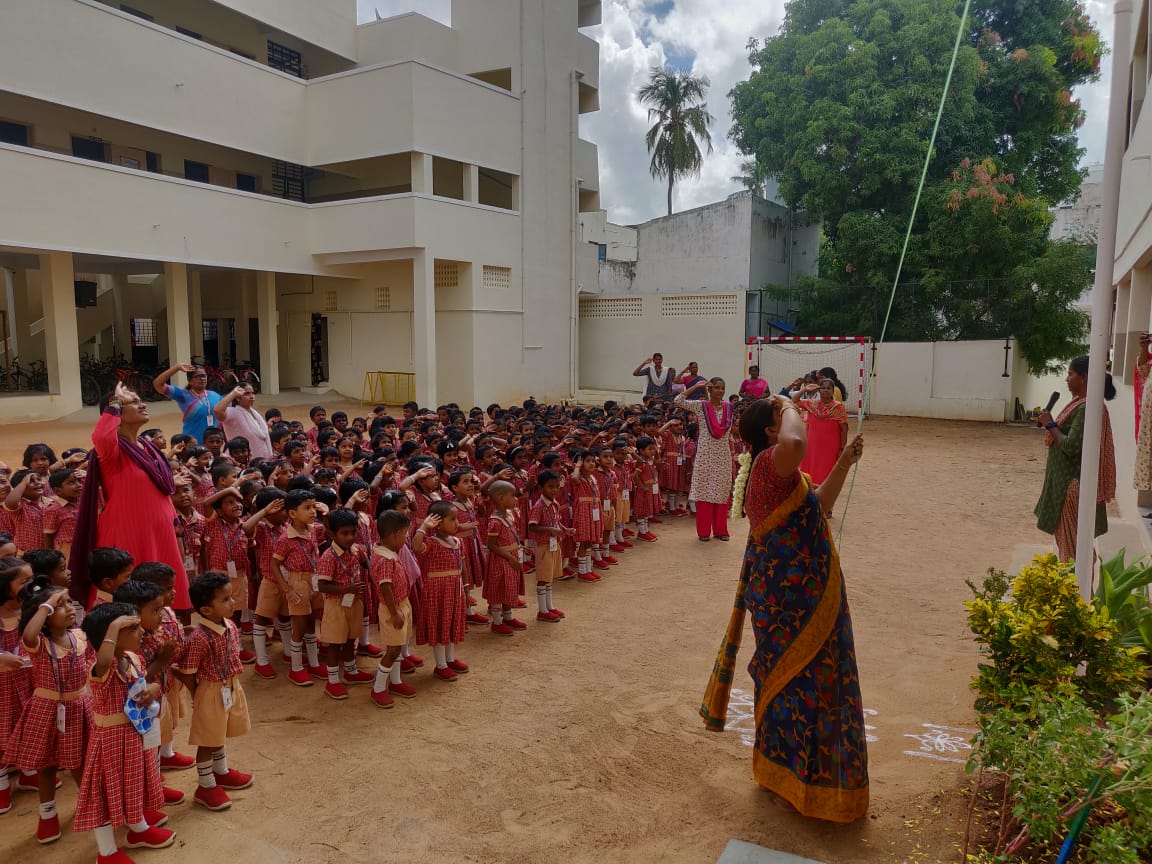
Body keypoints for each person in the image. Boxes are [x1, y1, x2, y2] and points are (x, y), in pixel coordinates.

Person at [701, 395, 869, 823]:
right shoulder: (765, 467)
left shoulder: (786, 476)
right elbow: (796, 442)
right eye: (784, 419)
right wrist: (788, 402)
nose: (795, 420)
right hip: (787, 603)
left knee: (824, 684)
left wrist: (845, 463)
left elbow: (821, 505)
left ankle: (814, 784)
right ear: (771, 434)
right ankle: (786, 781)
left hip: (810, 596)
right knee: (792, 685)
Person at [69, 384, 188, 614]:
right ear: (116, 414)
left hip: (161, 535)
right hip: (128, 533)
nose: (142, 404)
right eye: (133, 402)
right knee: (129, 604)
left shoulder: (147, 447)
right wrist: (116, 401)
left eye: (139, 400)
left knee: (164, 603)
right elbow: (101, 434)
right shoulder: (111, 452)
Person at [74, 601, 175, 862]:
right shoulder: (99, 669)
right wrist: (115, 625)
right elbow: (105, 660)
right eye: (133, 628)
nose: (141, 632)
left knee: (134, 784)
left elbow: (141, 684)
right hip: (110, 740)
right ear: (112, 636)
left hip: (133, 736)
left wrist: (152, 690)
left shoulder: (131, 657)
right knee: (104, 795)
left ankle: (138, 828)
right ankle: (106, 851)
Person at [11, 578, 93, 844]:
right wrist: (46, 606)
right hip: (47, 710)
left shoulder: (79, 636)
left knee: (82, 760)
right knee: (48, 766)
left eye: (69, 602)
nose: (69, 608)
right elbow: (28, 635)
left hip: (79, 706)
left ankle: (89, 804)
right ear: (43, 614)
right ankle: (47, 814)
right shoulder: (40, 644)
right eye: (61, 605)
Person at [174, 572, 253, 813]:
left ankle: (221, 772)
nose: (232, 603)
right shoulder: (199, 637)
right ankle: (205, 786)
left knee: (220, 732)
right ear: (207, 610)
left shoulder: (229, 624)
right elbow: (187, 671)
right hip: (210, 690)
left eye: (231, 597)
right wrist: (198, 695)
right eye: (226, 600)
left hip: (229, 685)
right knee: (207, 740)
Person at [1034, 355, 1117, 561]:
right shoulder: (1081, 404)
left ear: (1085, 378)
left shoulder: (1087, 408)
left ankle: (1078, 591)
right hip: (1067, 485)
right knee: (1073, 547)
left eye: (1070, 374)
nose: (1067, 379)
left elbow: (1071, 445)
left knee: (1073, 551)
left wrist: (1051, 425)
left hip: (1071, 490)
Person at [315, 509, 375, 700]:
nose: (350, 537)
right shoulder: (329, 557)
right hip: (336, 606)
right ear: (332, 534)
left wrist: (369, 556)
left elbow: (367, 564)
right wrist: (344, 589)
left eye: (353, 532)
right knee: (334, 644)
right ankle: (332, 682)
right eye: (345, 533)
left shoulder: (356, 549)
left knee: (351, 639)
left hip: (354, 603)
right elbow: (322, 585)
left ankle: (351, 671)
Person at [411, 501, 469, 681]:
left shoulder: (458, 542)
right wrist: (422, 527)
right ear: (437, 522)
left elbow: (463, 567)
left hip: (455, 588)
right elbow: (415, 546)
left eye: (456, 519)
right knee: (440, 624)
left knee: (451, 622)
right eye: (452, 519)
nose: (457, 523)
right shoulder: (431, 543)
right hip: (437, 591)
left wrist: (466, 588)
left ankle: (450, 659)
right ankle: (440, 664)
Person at [271, 490, 324, 687]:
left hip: (314, 579)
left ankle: (314, 662)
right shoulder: (285, 539)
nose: (313, 511)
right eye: (307, 508)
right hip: (298, 582)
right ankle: (296, 668)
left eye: (313, 506)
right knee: (299, 625)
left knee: (311, 622)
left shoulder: (312, 530)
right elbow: (274, 565)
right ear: (292, 514)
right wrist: (287, 589)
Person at [677, 378, 737, 541]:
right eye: (716, 388)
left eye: (722, 388)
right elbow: (678, 400)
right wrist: (696, 386)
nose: (720, 391)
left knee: (722, 492)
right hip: (705, 455)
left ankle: (720, 531)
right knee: (705, 492)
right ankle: (704, 532)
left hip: (722, 455)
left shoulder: (729, 408)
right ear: (710, 390)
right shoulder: (701, 405)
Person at [370, 509, 416, 709]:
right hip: (393, 608)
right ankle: (378, 688)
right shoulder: (385, 559)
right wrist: (395, 612)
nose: (406, 539)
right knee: (392, 650)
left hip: (401, 604)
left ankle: (395, 682)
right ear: (395, 534)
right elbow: (384, 586)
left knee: (398, 646)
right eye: (405, 534)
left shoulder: (386, 552)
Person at [484, 481, 526, 636]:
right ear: (502, 498)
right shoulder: (495, 521)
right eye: (512, 496)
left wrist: (519, 547)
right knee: (498, 589)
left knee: (509, 588)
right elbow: (491, 545)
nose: (515, 499)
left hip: (511, 557)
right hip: (501, 560)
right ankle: (496, 622)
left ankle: (507, 618)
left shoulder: (508, 514)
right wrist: (509, 557)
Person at [527, 470, 568, 622]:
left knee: (550, 577)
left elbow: (556, 522)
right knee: (543, 578)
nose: (555, 490)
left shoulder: (554, 503)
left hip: (553, 544)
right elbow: (532, 526)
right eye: (551, 487)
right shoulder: (539, 506)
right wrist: (550, 530)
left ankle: (549, 607)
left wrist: (564, 529)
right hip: (544, 545)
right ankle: (542, 610)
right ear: (541, 488)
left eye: (557, 486)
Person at [153, 363, 224, 444]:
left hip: (213, 444)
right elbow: (157, 384)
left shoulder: (215, 396)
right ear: (189, 380)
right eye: (198, 376)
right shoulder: (183, 395)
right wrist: (176, 368)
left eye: (204, 376)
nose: (202, 378)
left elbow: (225, 416)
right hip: (192, 443)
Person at [798, 379, 850, 485]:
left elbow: (844, 428)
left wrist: (842, 447)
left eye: (828, 388)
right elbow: (793, 401)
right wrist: (805, 389)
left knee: (827, 469)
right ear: (819, 390)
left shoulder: (838, 407)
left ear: (833, 390)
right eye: (823, 388)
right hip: (812, 445)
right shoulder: (811, 404)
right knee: (811, 470)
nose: (826, 390)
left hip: (831, 446)